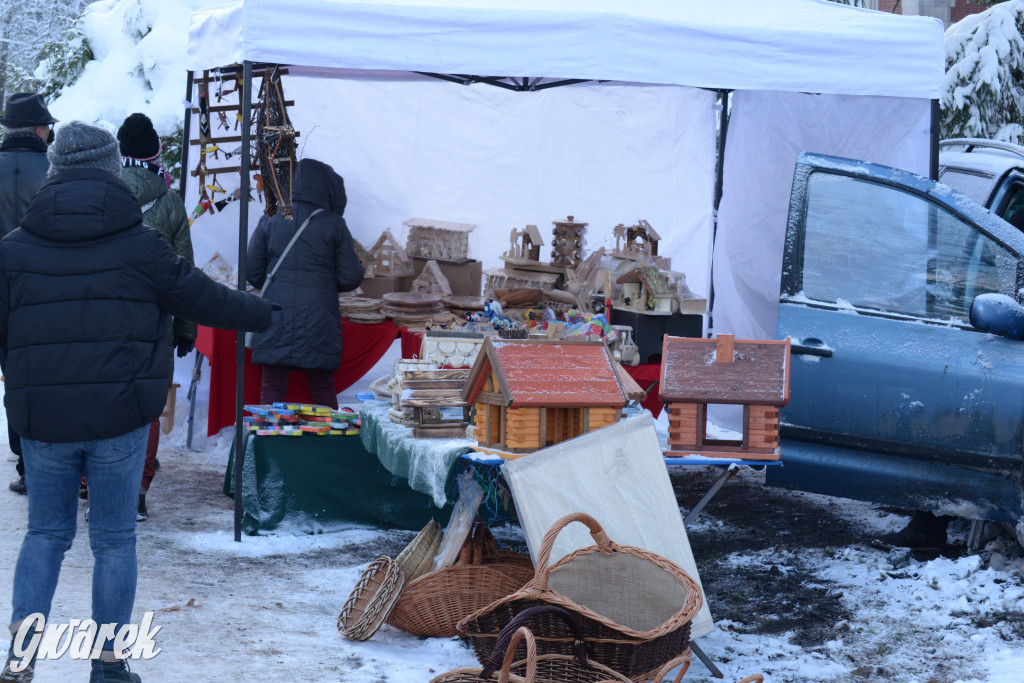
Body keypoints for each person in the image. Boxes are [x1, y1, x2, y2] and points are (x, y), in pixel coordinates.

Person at [0, 122, 272, 682]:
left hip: (42, 417)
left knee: (45, 534)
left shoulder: (13, 251)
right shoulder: (142, 245)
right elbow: (204, 297)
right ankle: (108, 666)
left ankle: (21, 656)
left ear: (54, 172)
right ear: (110, 169)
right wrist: (266, 311)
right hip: (121, 414)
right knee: (114, 540)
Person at [117, 112, 196, 522]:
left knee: (104, 401)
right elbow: (184, 273)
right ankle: (138, 489)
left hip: (103, 320)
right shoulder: (169, 203)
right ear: (155, 154)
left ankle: (94, 484)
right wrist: (185, 325)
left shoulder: (103, 194)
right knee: (147, 406)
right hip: (154, 323)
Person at [246, 158, 364, 408]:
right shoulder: (334, 224)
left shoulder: (271, 217)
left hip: (275, 314)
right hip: (319, 318)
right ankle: (331, 444)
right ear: (329, 189)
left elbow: (253, 273)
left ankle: (267, 443)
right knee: (321, 387)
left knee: (272, 386)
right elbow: (350, 277)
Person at [0, 93, 56, 496]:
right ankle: (48, 462)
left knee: (14, 378)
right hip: (49, 289)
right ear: (39, 130)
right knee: (54, 375)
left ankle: (26, 464)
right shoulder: (55, 172)